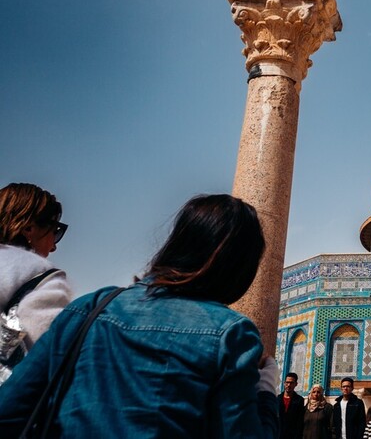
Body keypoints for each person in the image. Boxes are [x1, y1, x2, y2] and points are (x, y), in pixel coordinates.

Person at [0, 193, 280, 437]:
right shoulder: (230, 334)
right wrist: (266, 389)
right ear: (239, 267)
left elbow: (9, 412)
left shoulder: (87, 309)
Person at [0, 182, 72, 383]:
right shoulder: (42, 278)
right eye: (55, 230)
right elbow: (54, 354)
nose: (54, 246)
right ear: (29, 228)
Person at [281, 372, 306, 439]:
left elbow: (299, 421)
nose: (289, 385)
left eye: (291, 383)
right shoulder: (277, 399)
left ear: (296, 384)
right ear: (284, 383)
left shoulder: (299, 400)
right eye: (287, 382)